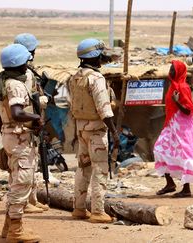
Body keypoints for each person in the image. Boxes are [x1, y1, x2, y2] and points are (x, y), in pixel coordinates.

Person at [0, 44, 42, 242]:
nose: (27, 66)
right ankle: (16, 230)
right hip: (20, 139)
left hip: (10, 136)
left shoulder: (2, 82)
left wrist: (5, 134)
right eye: (25, 63)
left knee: (14, 182)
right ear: (20, 63)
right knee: (22, 183)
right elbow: (17, 113)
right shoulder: (16, 85)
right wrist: (36, 117)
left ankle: (8, 226)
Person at [68, 38, 119, 223]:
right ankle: (98, 211)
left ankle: (79, 208)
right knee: (100, 169)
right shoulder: (96, 78)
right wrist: (114, 132)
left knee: (83, 169)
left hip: (81, 128)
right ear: (95, 56)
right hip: (97, 130)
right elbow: (104, 109)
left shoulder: (75, 77)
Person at [154, 60, 193, 198]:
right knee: (160, 149)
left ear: (179, 71)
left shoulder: (183, 87)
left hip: (183, 127)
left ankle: (186, 189)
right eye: (170, 69)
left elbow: (188, 110)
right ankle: (170, 184)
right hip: (172, 125)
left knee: (184, 155)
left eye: (173, 69)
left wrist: (176, 102)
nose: (170, 71)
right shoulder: (172, 86)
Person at [14, 33, 50, 214]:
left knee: (32, 162)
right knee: (24, 166)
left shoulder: (23, 71)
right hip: (26, 122)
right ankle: (25, 202)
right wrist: (44, 100)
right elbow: (29, 99)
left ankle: (32, 199)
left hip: (28, 122)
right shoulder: (24, 74)